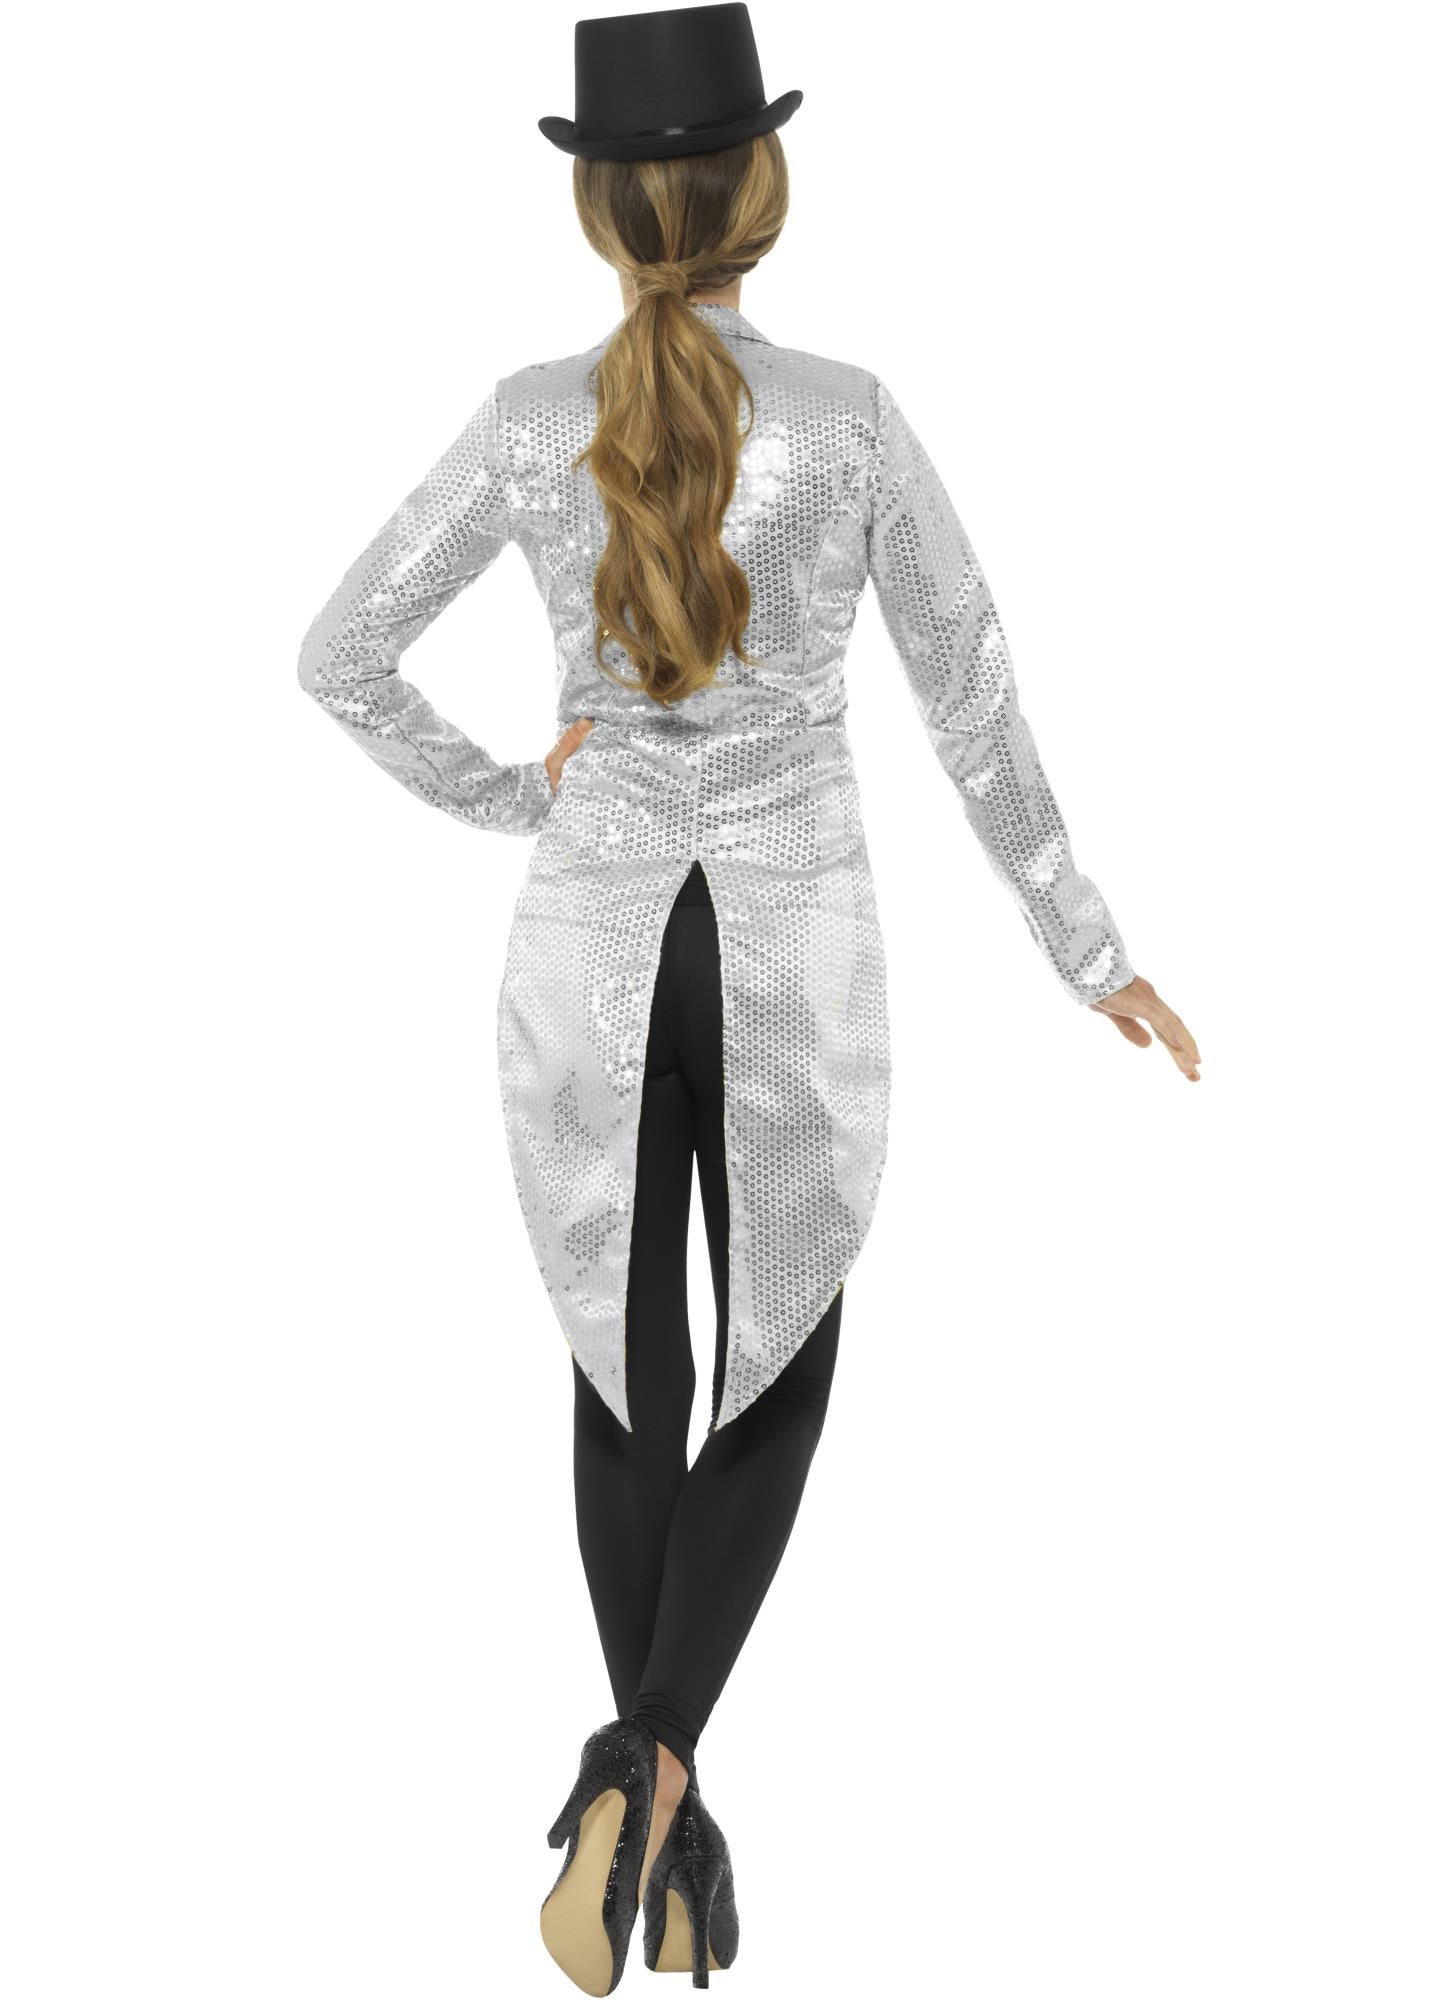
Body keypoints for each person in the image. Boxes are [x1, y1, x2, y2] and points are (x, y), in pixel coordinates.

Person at [297, 4, 1200, 1991]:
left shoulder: (527, 418)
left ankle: (648, 1803)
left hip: (594, 943)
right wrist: (1087, 942)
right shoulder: (853, 416)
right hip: (787, 950)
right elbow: (972, 691)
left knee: (621, 1369)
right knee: (774, 1361)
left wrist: (513, 789)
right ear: (762, 191)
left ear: (601, 210)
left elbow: (339, 653)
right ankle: (654, 1775)